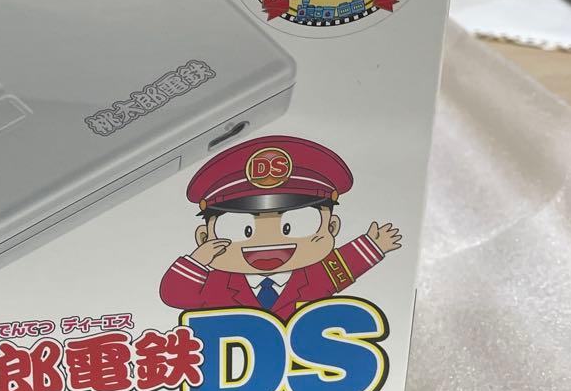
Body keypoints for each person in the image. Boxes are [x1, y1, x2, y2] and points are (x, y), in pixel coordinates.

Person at [159, 136, 401, 319]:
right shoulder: (219, 284)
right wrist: (197, 261)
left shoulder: (314, 276)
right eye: (244, 229)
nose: (267, 242)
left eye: (291, 226)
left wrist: (373, 245)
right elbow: (175, 295)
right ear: (204, 237)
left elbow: (344, 265)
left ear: (332, 226)